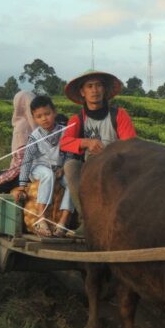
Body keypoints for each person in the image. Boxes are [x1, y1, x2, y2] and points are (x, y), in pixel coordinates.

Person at [60, 70, 137, 217]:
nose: (94, 90)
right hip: (88, 168)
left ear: (104, 89)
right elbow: (64, 142)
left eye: (98, 85)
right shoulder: (78, 119)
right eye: (89, 86)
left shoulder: (119, 115)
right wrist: (86, 142)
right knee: (70, 166)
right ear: (82, 92)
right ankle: (85, 218)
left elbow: (131, 145)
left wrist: (109, 152)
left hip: (116, 166)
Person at [15, 95, 74, 237]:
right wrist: (22, 186)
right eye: (39, 116)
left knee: (72, 183)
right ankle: (41, 219)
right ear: (34, 119)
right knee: (47, 174)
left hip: (59, 169)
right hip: (38, 168)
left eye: (47, 114)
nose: (44, 119)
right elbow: (27, 161)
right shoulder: (34, 137)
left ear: (54, 112)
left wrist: (63, 168)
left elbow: (69, 154)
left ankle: (63, 223)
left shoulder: (64, 131)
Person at [0, 90, 36, 193]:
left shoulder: (22, 126)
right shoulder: (38, 123)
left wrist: (2, 178)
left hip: (27, 176)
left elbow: (22, 163)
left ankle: (16, 189)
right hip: (38, 171)